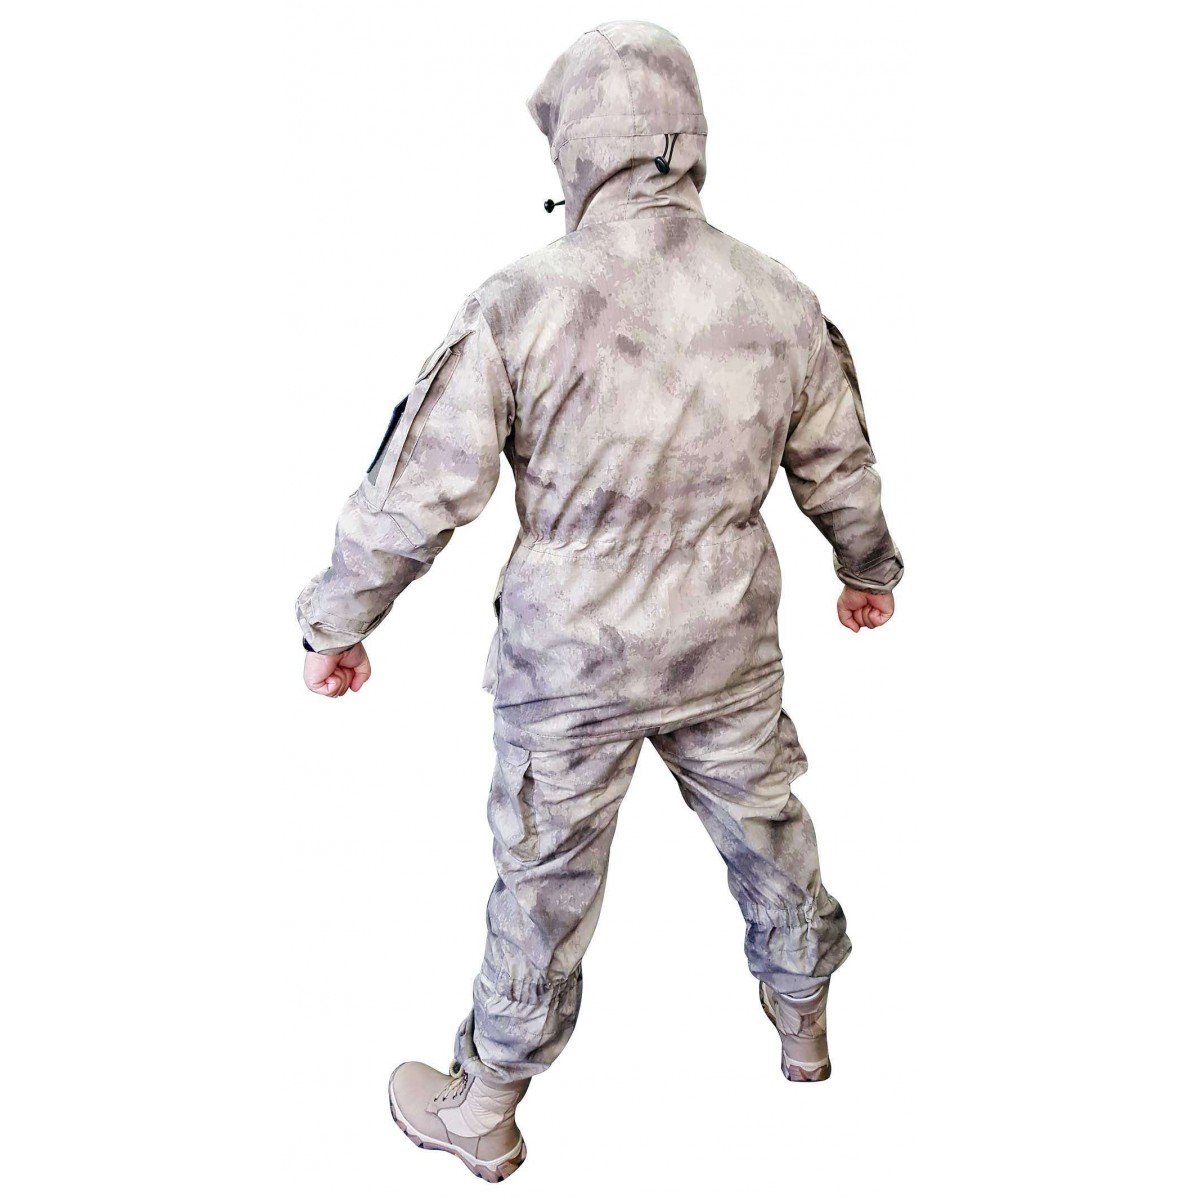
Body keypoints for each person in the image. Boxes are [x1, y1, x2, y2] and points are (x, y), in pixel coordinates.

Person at [297, 20, 902, 1182]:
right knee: (769, 830)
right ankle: (803, 1027)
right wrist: (865, 568)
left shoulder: (520, 303)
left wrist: (339, 621)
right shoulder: (777, 295)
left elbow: (417, 489)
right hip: (723, 648)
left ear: (576, 145)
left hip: (571, 667)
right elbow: (842, 464)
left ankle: (485, 1108)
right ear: (690, 134)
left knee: (544, 880)